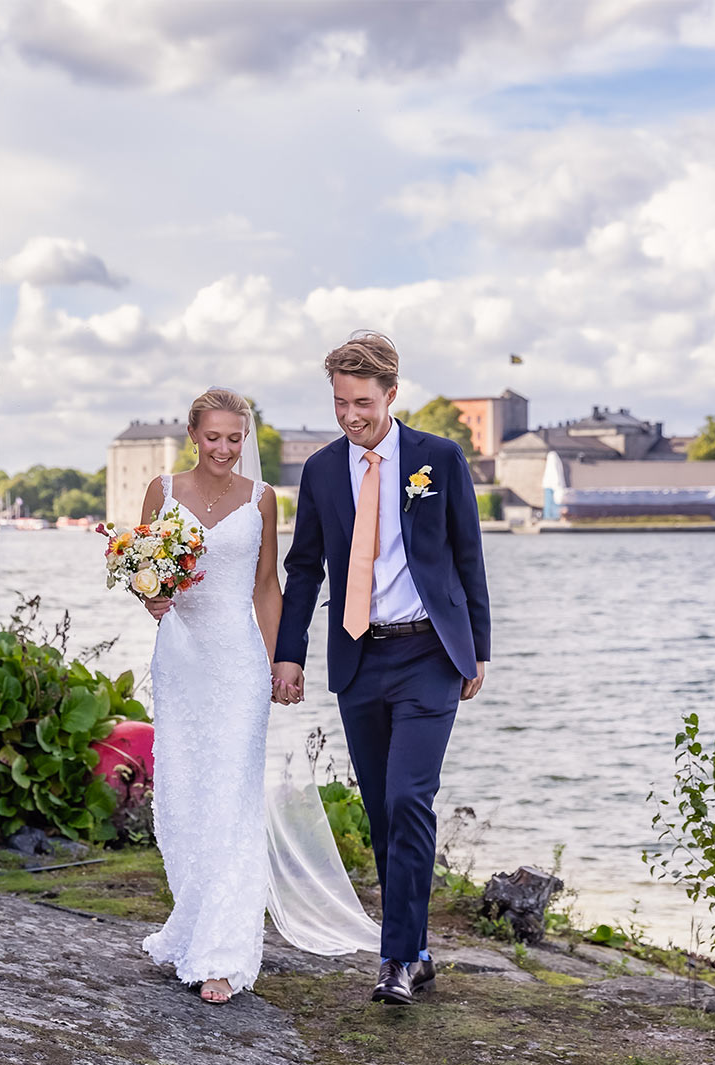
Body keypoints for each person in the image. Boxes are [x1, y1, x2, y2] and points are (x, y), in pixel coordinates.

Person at [272, 331, 491, 1006]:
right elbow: (304, 567)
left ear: (392, 395)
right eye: (340, 402)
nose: (350, 416)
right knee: (381, 812)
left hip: (430, 652)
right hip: (360, 656)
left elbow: (467, 554)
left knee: (407, 799)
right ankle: (418, 950)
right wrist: (289, 651)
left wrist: (478, 646)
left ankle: (394, 959)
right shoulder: (320, 470)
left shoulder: (439, 460)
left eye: (362, 403)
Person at [137, 388, 281, 1004]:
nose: (225, 449)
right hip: (182, 657)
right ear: (193, 434)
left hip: (239, 662)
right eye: (214, 436)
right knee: (187, 795)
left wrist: (281, 665)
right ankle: (194, 925)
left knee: (232, 797)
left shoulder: (262, 498)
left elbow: (267, 587)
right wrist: (150, 598)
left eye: (235, 438)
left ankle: (224, 950)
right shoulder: (161, 491)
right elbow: (143, 571)